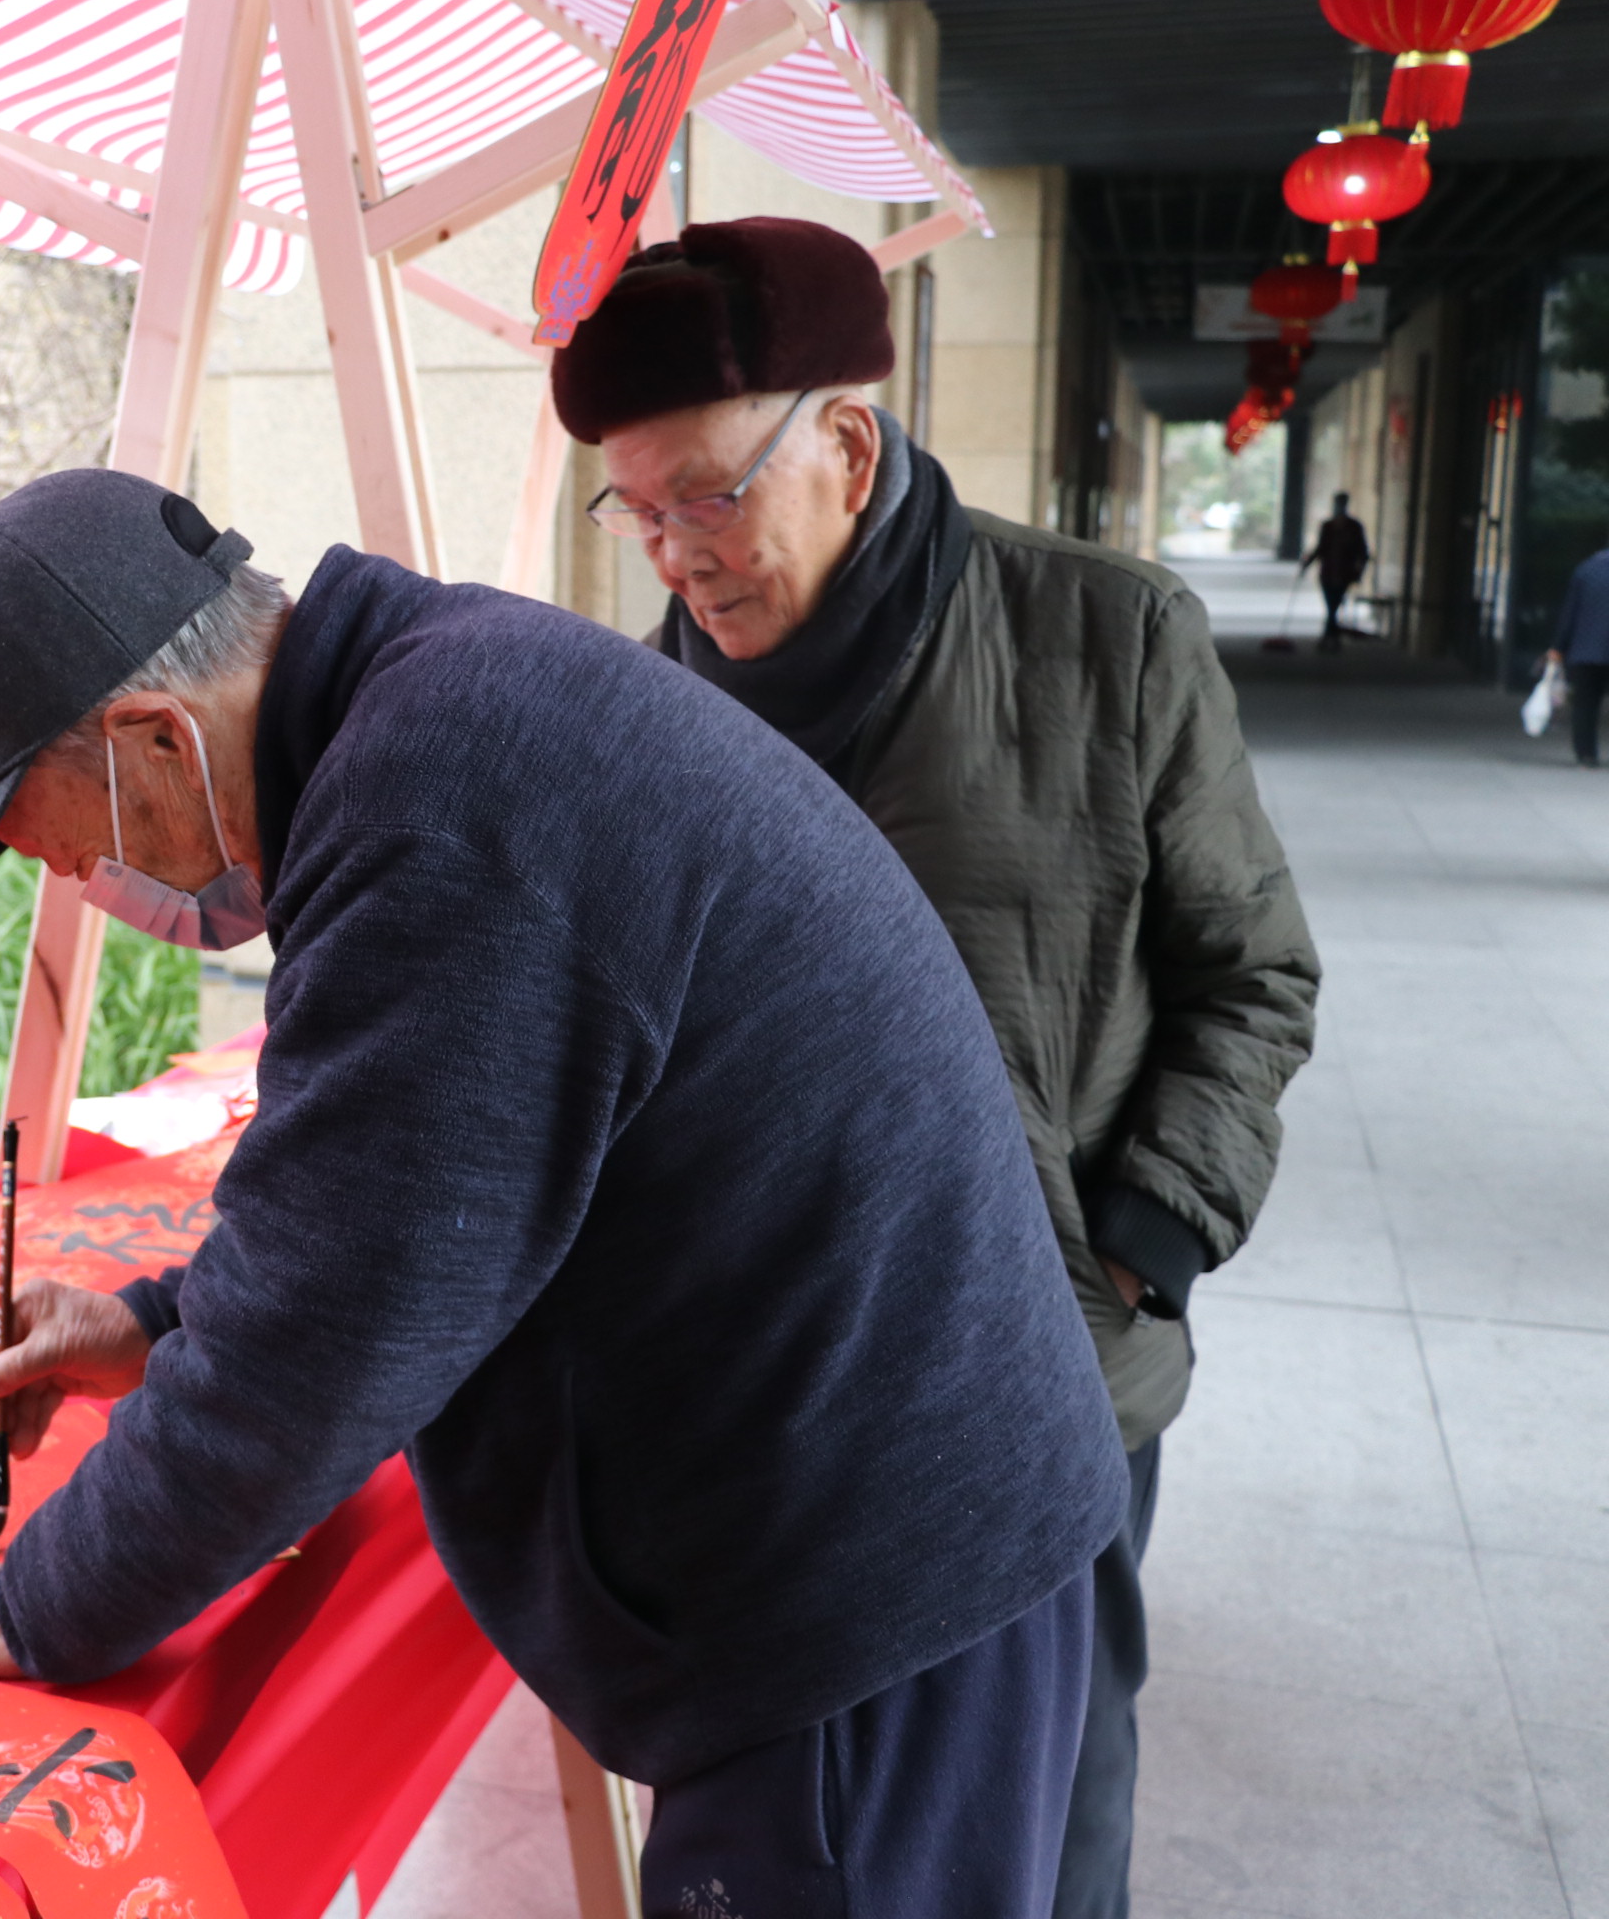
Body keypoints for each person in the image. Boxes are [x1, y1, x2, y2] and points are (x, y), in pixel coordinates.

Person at [0, 468, 1133, 1915]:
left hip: (864, 1598)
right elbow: (411, 1196)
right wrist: (159, 1326)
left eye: (71, 844)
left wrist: (36, 1596)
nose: (85, 879)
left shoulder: (441, 815)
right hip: (909, 1523)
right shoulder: (446, 697)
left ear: (153, 740)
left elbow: (324, 1334)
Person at [553, 217, 1322, 1919]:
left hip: (1049, 1370)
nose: (677, 555)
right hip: (768, 1404)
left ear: (846, 441)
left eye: (708, 497)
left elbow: (1253, 972)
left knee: (1050, 1820)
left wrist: (1141, 1241)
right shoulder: (636, 720)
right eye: (637, 511)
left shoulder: (1105, 638)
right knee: (803, 1838)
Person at [1545, 540, 1609, 766]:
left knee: (1585, 704)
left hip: (1586, 651)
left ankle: (1586, 755)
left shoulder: (1586, 570)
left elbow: (1570, 614)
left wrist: (1558, 647)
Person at [1300, 490, 1370, 649]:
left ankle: (1329, 637)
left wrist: (1359, 572)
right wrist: (1307, 563)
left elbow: (1362, 551)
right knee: (1331, 605)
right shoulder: (1328, 526)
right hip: (1328, 571)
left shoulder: (1354, 527)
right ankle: (1332, 636)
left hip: (1345, 572)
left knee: (1334, 604)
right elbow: (1320, 547)